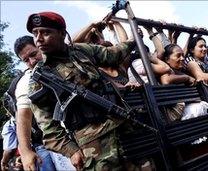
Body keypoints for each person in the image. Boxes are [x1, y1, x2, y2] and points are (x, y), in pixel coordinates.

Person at [26, 11, 137, 170]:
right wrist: (71, 151)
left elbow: (112, 55)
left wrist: (133, 40)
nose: (38, 39)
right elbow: (48, 127)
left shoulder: (81, 51)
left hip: (123, 126)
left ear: (62, 33)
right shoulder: (40, 77)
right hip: (93, 146)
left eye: (46, 32)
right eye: (35, 33)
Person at [13, 35, 75, 171]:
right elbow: (23, 116)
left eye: (33, 54)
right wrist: (25, 151)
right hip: (65, 143)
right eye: (26, 60)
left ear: (40, 46)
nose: (32, 61)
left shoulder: (66, 60)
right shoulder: (26, 81)